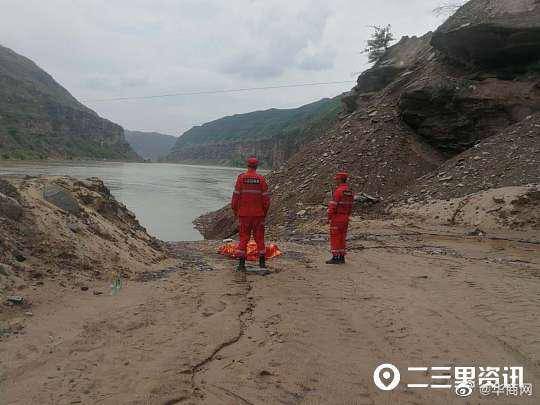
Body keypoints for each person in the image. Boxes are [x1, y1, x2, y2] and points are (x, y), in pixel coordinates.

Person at [231, 156, 270, 271]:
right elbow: (266, 200)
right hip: (258, 215)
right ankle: (262, 264)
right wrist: (264, 214)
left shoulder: (241, 179)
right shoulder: (261, 179)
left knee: (243, 238)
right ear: (257, 166)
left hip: (244, 215)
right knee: (260, 239)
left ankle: (241, 265)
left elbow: (235, 198)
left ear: (247, 165)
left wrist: (235, 211)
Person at [326, 172, 354, 265]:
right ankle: (342, 257)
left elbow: (333, 205)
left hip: (337, 217)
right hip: (345, 217)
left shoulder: (338, 191)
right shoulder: (349, 191)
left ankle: (335, 257)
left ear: (340, 179)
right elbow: (350, 206)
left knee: (335, 237)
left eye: (336, 179)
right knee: (342, 237)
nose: (335, 181)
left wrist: (328, 217)